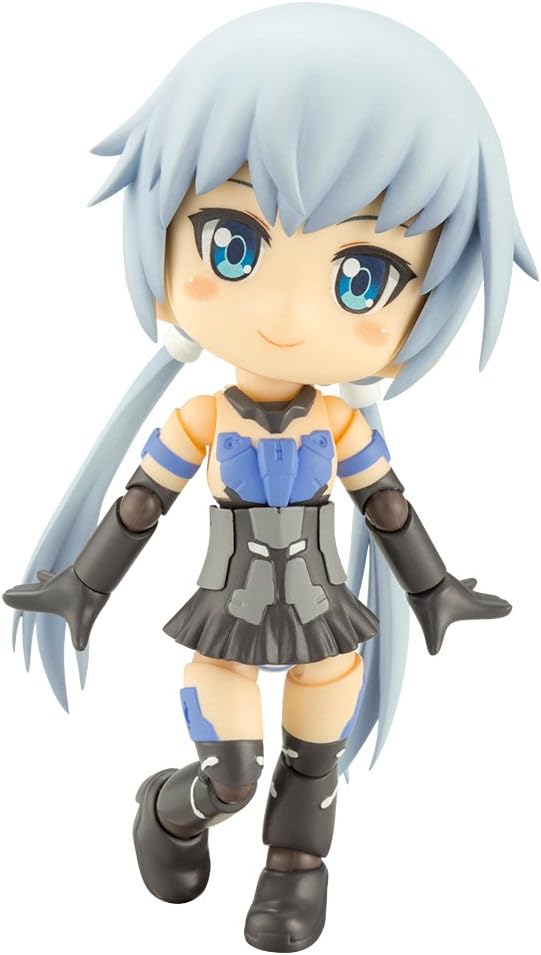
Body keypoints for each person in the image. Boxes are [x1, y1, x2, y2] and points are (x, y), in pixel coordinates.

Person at [3, 5, 536, 952]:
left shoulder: (340, 423)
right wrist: (84, 583)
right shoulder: (200, 420)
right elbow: (141, 505)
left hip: (326, 611)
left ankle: (296, 870)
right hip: (230, 612)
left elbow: (386, 507)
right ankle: (175, 807)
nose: (286, 315)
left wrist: (433, 589)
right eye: (234, 245)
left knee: (317, 752)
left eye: (360, 276)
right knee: (236, 772)